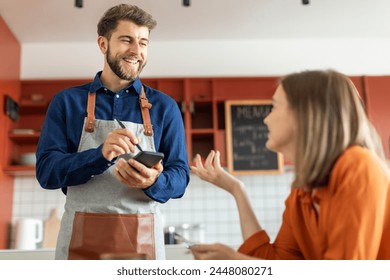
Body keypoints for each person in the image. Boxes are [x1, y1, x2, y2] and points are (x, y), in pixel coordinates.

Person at [36, 4, 190, 260]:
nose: (136, 50)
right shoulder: (67, 102)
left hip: (143, 245)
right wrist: (99, 156)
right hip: (79, 244)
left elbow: (180, 177)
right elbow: (46, 172)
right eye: (126, 40)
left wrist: (153, 182)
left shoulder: (164, 107)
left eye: (143, 42)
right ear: (103, 44)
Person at [190, 69, 390, 260]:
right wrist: (236, 189)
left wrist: (238, 263)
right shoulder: (302, 192)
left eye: (275, 106)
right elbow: (275, 261)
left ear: (305, 114)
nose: (266, 119)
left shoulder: (357, 166)